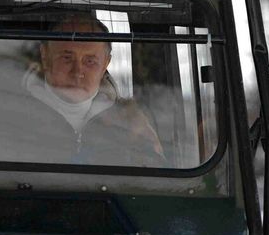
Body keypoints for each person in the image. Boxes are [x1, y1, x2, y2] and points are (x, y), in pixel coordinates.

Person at [21, 14, 165, 165]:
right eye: (67, 58)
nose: (77, 72)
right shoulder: (13, 110)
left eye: (90, 61)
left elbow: (157, 178)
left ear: (105, 64)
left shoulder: (129, 121)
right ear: (45, 57)